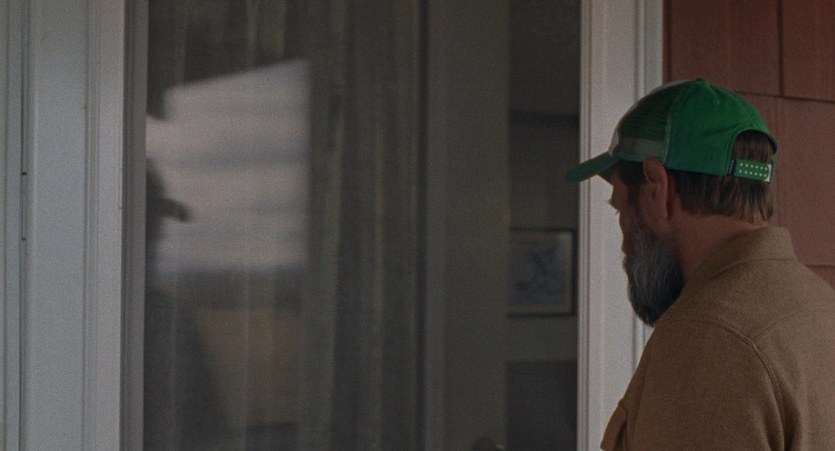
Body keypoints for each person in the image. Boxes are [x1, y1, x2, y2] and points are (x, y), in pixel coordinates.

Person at [566, 78, 835, 450]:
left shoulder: (708, 340)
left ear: (658, 189)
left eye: (621, 209)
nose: (625, 242)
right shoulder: (820, 306)